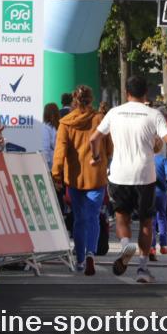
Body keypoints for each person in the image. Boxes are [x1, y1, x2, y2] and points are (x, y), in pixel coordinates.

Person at [89, 75, 167, 283]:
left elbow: (94, 138)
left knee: (121, 217)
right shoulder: (153, 114)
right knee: (146, 222)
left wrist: (96, 156)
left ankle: (126, 244)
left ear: (127, 92)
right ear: (146, 93)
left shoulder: (114, 112)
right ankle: (142, 269)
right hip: (145, 175)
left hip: (119, 173)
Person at [52, 85, 110, 275]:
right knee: (93, 217)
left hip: (74, 178)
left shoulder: (66, 123)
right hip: (96, 176)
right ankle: (91, 252)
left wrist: (57, 174)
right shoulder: (99, 119)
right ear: (91, 99)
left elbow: (59, 152)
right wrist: (105, 158)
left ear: (74, 101)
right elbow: (109, 146)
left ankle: (79, 259)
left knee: (78, 219)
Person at [153, 144, 167, 256]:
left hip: (148, 192)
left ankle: (151, 247)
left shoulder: (145, 160)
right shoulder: (164, 160)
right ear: (161, 147)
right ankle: (164, 245)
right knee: (162, 217)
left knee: (150, 219)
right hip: (161, 192)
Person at [42, 102, 60, 169]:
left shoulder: (45, 127)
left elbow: (45, 147)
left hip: (51, 164)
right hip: (61, 160)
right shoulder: (61, 125)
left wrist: (45, 165)